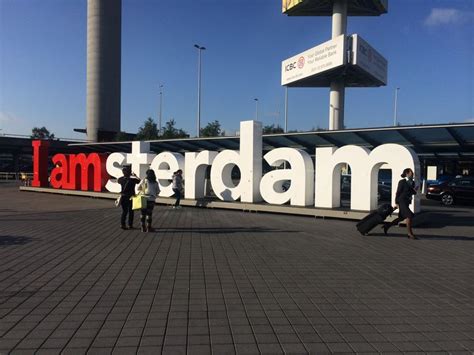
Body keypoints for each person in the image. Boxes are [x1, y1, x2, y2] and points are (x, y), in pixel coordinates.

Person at [383, 168, 418, 239]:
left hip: (407, 201)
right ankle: (410, 234)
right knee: (410, 216)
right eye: (411, 173)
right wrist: (396, 202)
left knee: (401, 218)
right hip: (401, 201)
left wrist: (415, 190)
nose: (412, 174)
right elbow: (398, 192)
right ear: (407, 174)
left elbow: (411, 192)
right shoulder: (402, 182)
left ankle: (387, 226)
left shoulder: (413, 182)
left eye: (412, 173)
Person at [117, 165, 140, 229]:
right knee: (131, 211)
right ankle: (130, 225)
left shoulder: (120, 179)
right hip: (131, 197)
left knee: (124, 211)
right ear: (130, 173)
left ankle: (122, 224)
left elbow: (118, 180)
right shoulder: (133, 180)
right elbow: (139, 181)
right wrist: (135, 175)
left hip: (123, 197)